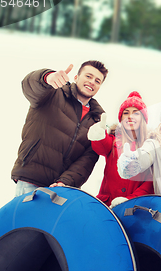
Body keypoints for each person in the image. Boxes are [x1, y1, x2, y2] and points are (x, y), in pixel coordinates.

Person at [12, 61, 108, 196]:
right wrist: (47, 77)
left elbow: (87, 159)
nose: (92, 82)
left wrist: (65, 182)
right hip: (31, 180)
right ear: (76, 77)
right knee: (25, 218)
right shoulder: (51, 93)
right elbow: (30, 85)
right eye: (88, 76)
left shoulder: (96, 120)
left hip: (61, 190)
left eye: (97, 81)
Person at [87, 91, 154, 208]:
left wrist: (130, 200)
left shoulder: (149, 147)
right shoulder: (113, 140)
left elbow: (150, 183)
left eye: (136, 113)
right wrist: (99, 135)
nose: (130, 116)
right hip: (107, 205)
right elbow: (101, 146)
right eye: (126, 113)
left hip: (134, 207)